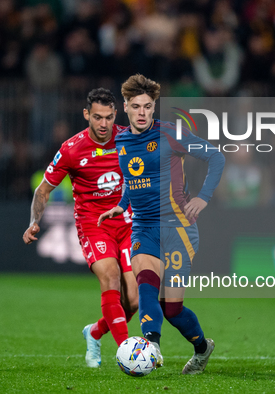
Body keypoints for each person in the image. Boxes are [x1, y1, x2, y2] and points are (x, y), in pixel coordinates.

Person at [98, 74, 225, 374]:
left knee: (172, 309)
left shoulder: (170, 134)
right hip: (143, 225)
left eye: (148, 106)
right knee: (145, 285)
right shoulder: (121, 140)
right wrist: (121, 205)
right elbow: (132, 178)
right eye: (136, 106)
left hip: (178, 226)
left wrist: (204, 198)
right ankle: (150, 346)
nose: (142, 112)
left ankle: (202, 348)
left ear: (154, 108)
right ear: (125, 108)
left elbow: (216, 158)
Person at [23, 88, 138, 368]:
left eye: (109, 117)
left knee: (134, 300)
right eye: (97, 117)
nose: (103, 124)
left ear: (116, 115)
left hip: (128, 223)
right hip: (93, 225)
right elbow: (43, 191)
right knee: (110, 279)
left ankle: (95, 332)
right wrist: (34, 222)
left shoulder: (129, 139)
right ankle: (128, 353)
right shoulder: (72, 149)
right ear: (87, 114)